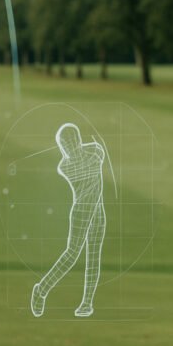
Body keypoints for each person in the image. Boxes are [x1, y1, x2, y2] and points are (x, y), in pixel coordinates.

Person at [30, 123, 106, 318]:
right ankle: (41, 290)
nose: (69, 148)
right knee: (72, 254)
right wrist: (88, 147)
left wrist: (85, 148)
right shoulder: (66, 166)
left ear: (78, 140)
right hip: (81, 211)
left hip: (98, 213)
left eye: (71, 143)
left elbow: (93, 154)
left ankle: (87, 303)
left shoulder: (92, 153)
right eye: (65, 145)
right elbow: (95, 152)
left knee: (94, 257)